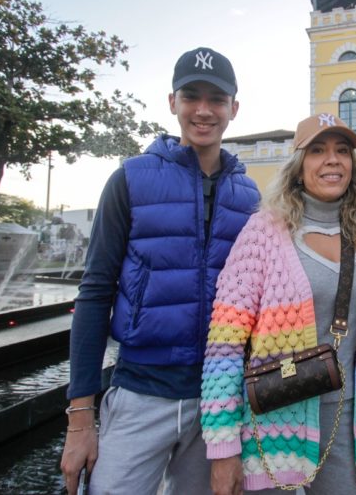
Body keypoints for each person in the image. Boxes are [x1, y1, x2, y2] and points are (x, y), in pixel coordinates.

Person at [60, 47, 260, 495]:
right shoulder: (130, 179)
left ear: (234, 109)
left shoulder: (249, 196)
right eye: (192, 96)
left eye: (217, 98)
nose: (203, 110)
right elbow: (94, 293)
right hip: (139, 392)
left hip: (217, 405)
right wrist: (79, 417)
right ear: (173, 102)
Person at [201, 113, 356, 495]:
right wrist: (223, 448)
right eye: (317, 151)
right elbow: (223, 346)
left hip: (344, 421)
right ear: (298, 165)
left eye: (342, 151)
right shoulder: (264, 231)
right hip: (271, 424)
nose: (332, 160)